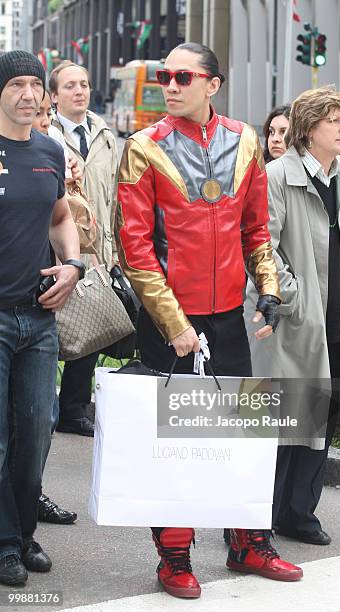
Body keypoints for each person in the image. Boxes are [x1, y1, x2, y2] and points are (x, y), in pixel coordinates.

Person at [116, 42, 303, 600]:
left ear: (212, 85)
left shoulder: (247, 140)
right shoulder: (142, 149)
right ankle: (173, 555)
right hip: (170, 318)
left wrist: (267, 288)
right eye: (166, 77)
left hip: (226, 317)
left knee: (243, 433)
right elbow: (136, 249)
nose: (169, 86)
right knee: (175, 443)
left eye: (182, 76)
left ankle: (249, 541)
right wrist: (173, 323)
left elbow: (256, 232)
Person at [245, 86, 340, 547]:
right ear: (308, 128)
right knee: (280, 421)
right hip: (293, 318)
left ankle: (299, 514)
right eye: (333, 120)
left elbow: (334, 235)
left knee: (320, 419)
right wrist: (292, 295)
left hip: (335, 316)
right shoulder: (277, 175)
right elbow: (261, 244)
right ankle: (253, 521)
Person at [0, 50, 82, 586]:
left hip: (39, 320)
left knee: (34, 437)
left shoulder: (50, 151)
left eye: (36, 84)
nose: (29, 94)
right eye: (16, 85)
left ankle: (23, 534)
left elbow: (60, 215)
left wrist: (73, 265)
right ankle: (7, 544)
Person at [49, 61, 118, 437]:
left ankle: (73, 407)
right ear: (55, 94)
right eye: (70, 86)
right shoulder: (46, 132)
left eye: (85, 84)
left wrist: (116, 250)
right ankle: (47, 405)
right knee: (56, 329)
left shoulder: (105, 134)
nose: (79, 91)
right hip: (59, 246)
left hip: (99, 247)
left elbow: (116, 194)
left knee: (91, 329)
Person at [31, 91, 78, 526]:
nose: (43, 120)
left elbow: (70, 218)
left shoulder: (52, 155)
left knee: (43, 414)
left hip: (48, 297)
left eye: (48, 113)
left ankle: (31, 495)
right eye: (41, 114)